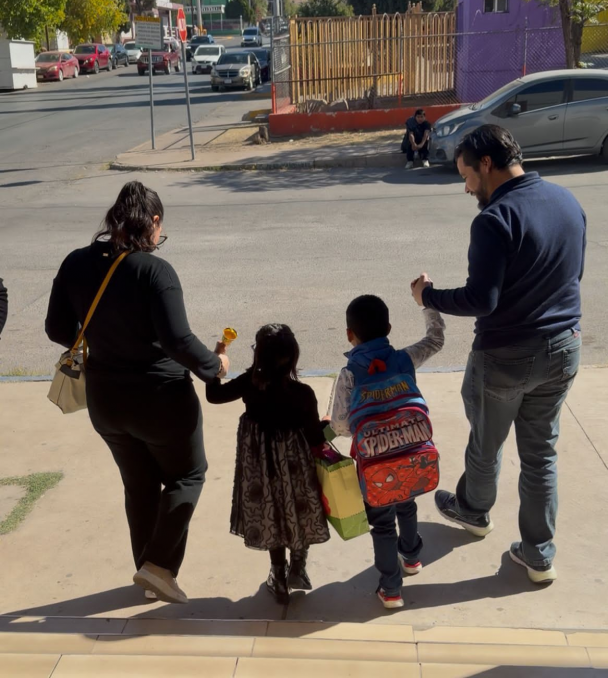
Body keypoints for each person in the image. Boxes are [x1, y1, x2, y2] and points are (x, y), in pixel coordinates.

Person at [411, 125, 586, 584]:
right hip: (564, 347)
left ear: (486, 164)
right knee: (541, 455)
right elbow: (573, 275)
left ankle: (473, 510)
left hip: (506, 356)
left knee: (486, 443)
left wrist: (428, 296)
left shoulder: (494, 218)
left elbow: (481, 300)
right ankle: (539, 554)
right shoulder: (567, 201)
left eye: (466, 175)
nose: (467, 187)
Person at [45, 181, 229, 605]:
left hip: (106, 400)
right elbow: (178, 341)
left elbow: (57, 329)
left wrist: (102, 341)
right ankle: (159, 567)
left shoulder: (75, 263)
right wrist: (215, 365)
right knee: (187, 476)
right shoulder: (155, 272)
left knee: (139, 486)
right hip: (161, 398)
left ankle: (148, 574)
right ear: (154, 222)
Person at [330, 295, 445, 609]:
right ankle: (412, 557)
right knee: (407, 504)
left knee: (382, 524)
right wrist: (428, 304)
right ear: (389, 328)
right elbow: (435, 341)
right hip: (410, 454)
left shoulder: (349, 374)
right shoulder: (404, 359)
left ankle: (391, 589)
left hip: (375, 466)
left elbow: (341, 425)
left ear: (349, 334)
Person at [206, 323, 330, 605]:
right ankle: (298, 566)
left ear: (259, 354)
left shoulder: (251, 383)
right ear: (293, 355)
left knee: (272, 512)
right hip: (296, 467)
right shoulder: (303, 393)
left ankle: (279, 576)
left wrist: (216, 360)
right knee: (299, 507)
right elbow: (315, 437)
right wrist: (328, 424)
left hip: (261, 466)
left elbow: (214, 396)